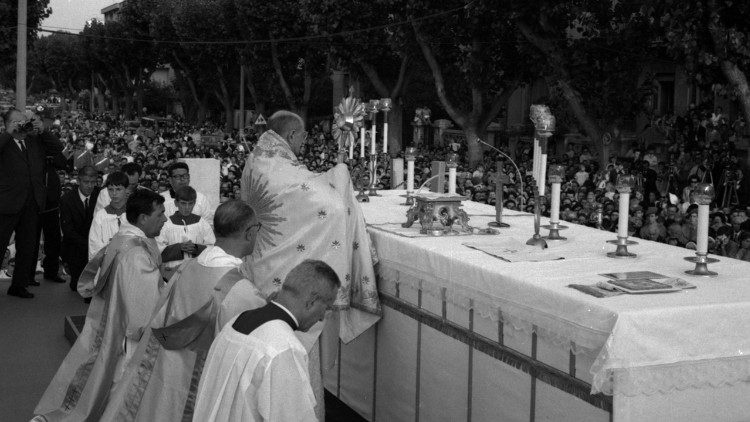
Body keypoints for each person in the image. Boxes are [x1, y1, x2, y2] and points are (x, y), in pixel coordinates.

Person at [98, 200, 257, 422]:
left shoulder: (186, 267)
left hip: (170, 369)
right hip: (205, 384)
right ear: (250, 233)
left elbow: (158, 316)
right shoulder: (242, 291)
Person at [34, 189, 166, 421]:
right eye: (160, 214)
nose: (165, 219)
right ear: (143, 218)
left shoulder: (122, 239)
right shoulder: (137, 254)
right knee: (121, 388)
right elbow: (142, 317)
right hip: (126, 335)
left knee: (96, 380)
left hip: (108, 320)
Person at [192, 260, 340, 422]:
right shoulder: (284, 347)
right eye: (326, 308)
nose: (320, 318)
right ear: (311, 302)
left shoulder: (235, 323)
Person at [0, 109, 63, 298]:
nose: (23, 124)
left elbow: (58, 147)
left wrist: (42, 129)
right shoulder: (4, 141)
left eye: (25, 121)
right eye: (18, 121)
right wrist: (8, 133)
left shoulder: (34, 141)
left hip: (32, 203)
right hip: (6, 203)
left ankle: (19, 285)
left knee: (27, 246)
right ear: (8, 123)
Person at [157, 185, 216, 274]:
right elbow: (158, 250)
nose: (187, 207)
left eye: (190, 203)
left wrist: (196, 248)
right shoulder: (166, 224)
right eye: (183, 203)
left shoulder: (202, 223)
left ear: (195, 203)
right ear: (176, 203)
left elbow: (212, 248)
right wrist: (179, 248)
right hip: (172, 273)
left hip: (196, 272)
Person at [59, 166, 101, 292]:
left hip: (97, 244)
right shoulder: (67, 199)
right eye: (86, 182)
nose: (89, 186)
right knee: (77, 286)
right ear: (78, 181)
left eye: (93, 182)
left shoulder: (100, 196)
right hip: (75, 246)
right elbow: (68, 230)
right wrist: (88, 244)